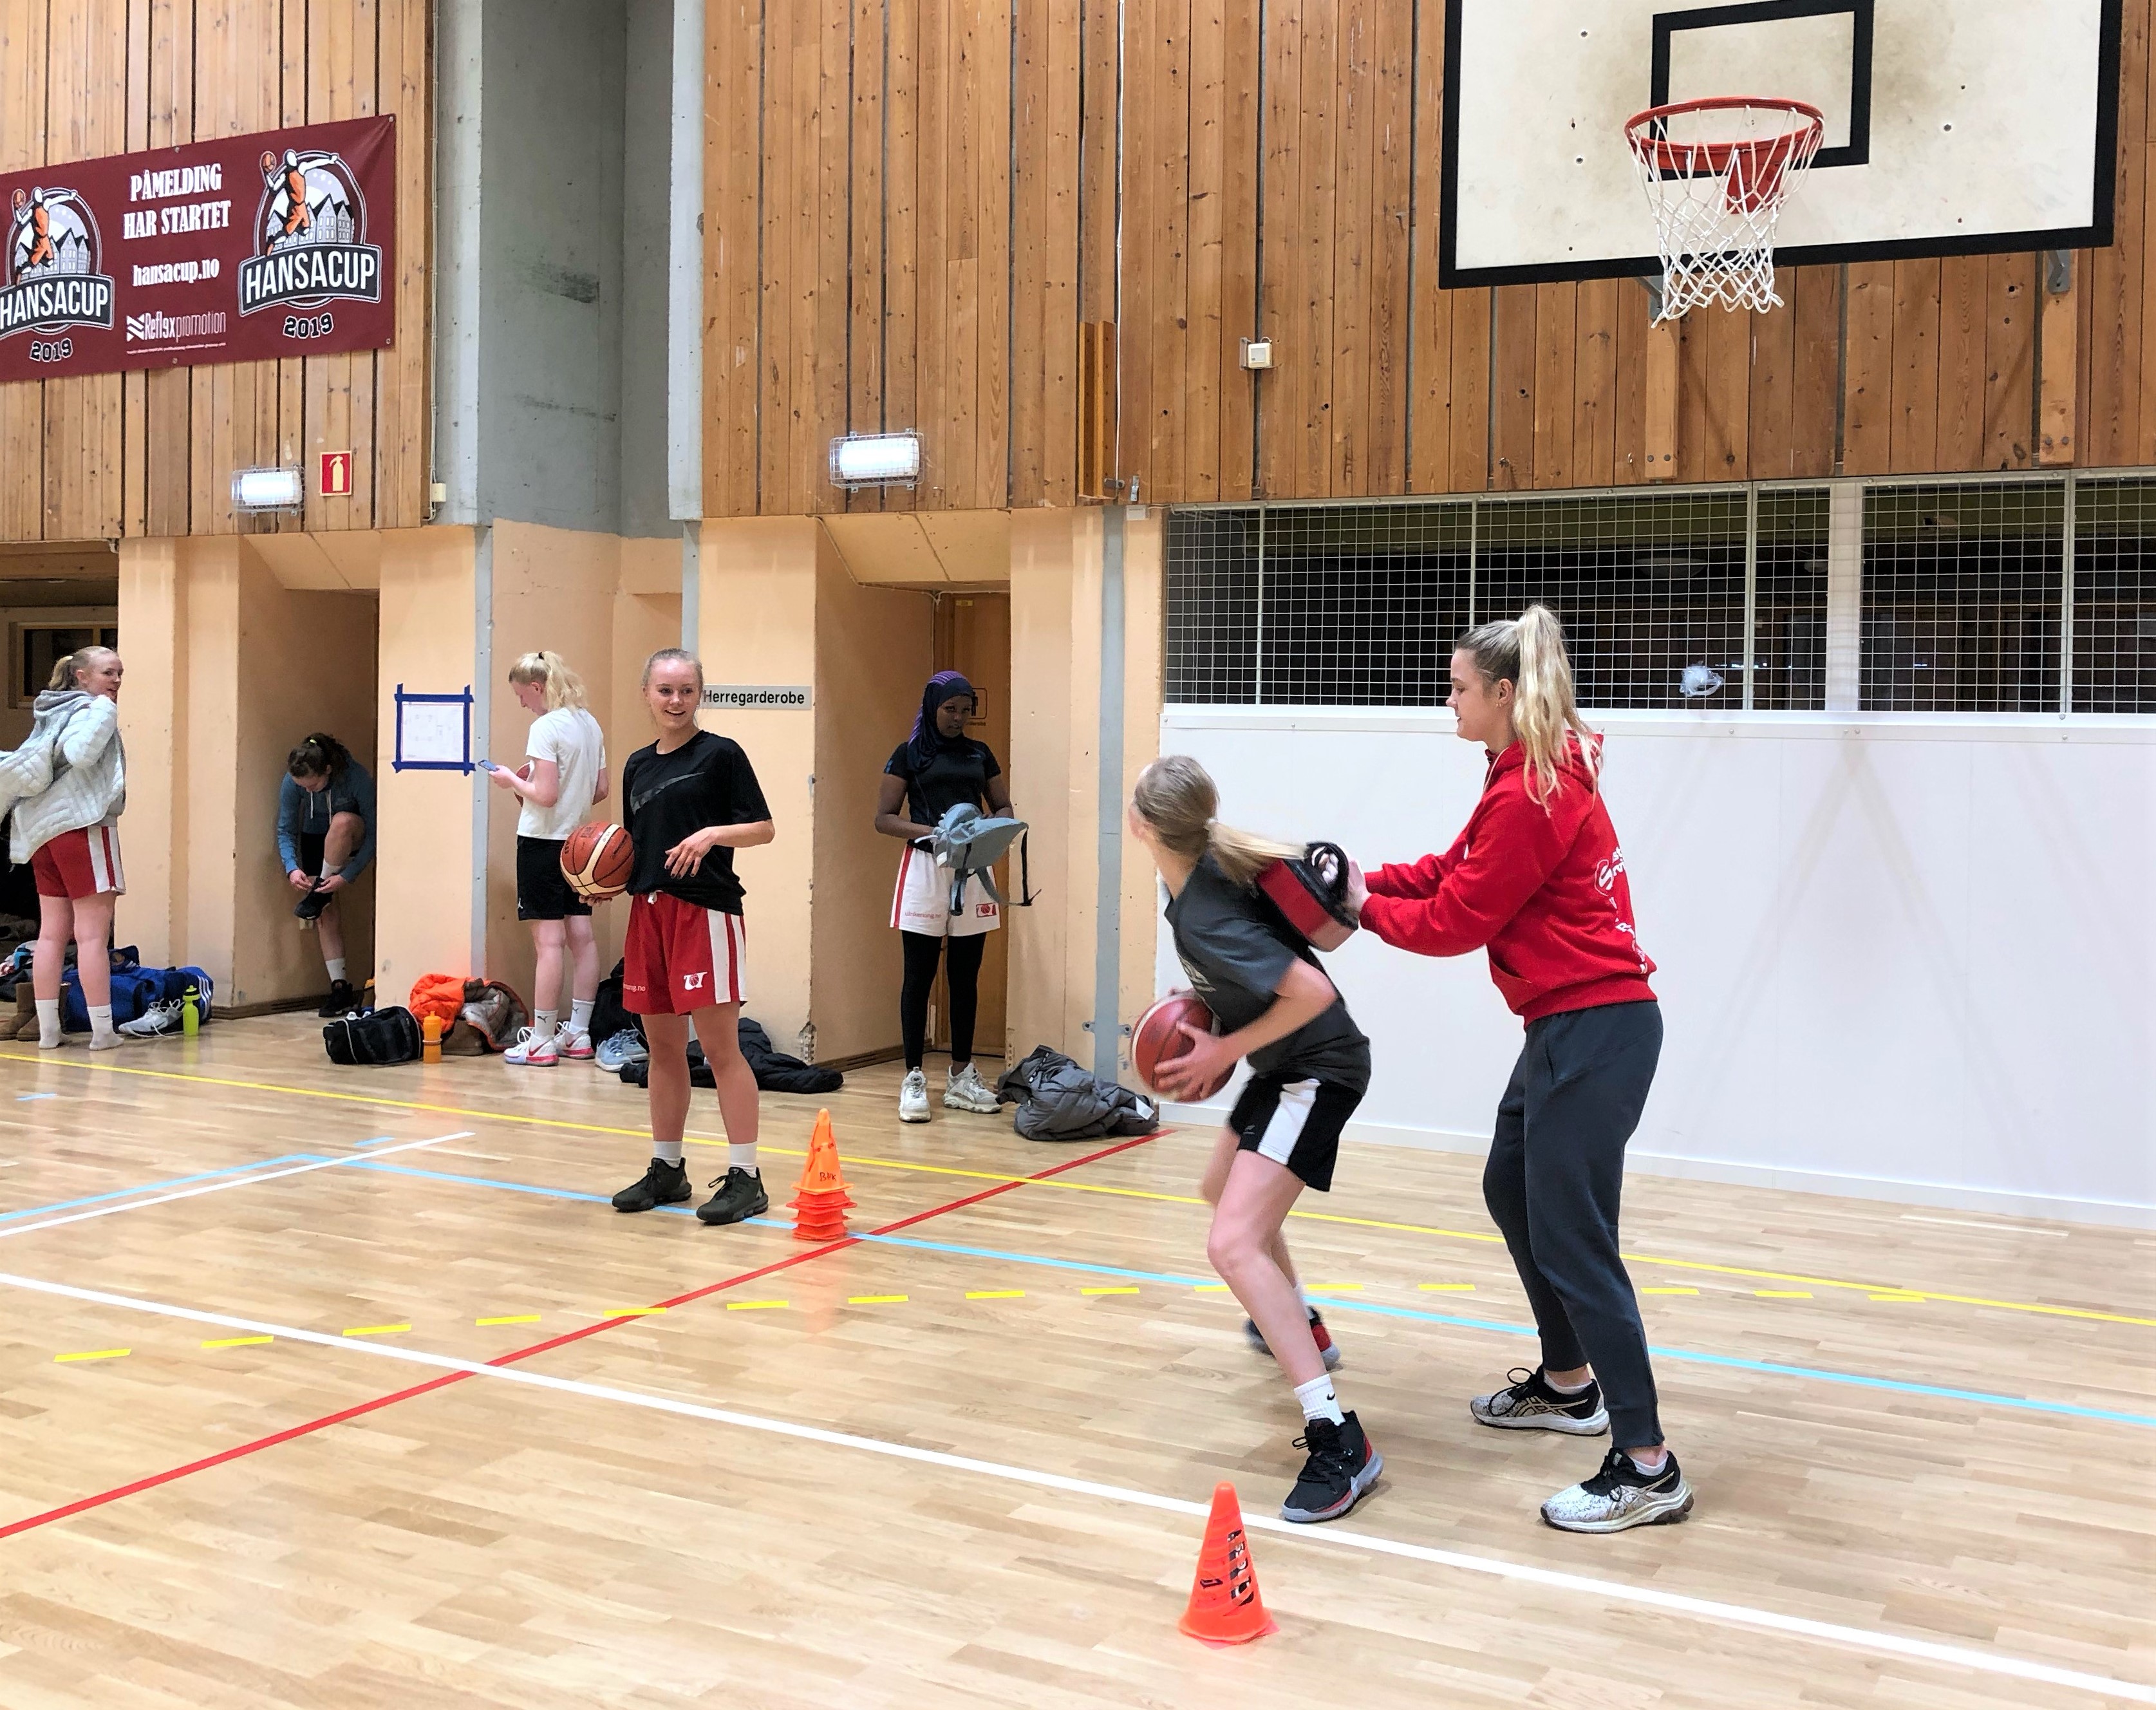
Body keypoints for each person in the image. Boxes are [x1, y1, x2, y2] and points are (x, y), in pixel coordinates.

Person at [1344, 605, 1687, 1535]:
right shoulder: (1517, 778)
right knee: (1510, 1184)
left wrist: (1354, 915)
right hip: (1566, 1028)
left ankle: (1648, 1465)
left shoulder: (1535, 790)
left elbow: (1459, 921)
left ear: (1502, 692)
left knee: (1576, 1241)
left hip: (1595, 1030)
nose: (1446, 699)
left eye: (1458, 687)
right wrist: (1356, 882)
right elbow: (1451, 871)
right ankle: (1571, 1383)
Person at [1130, 755, 1381, 1526]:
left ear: (1142, 825)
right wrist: (1207, 1006)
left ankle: (1339, 1438)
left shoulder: (1202, 905)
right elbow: (1266, 973)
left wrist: (1220, 1050)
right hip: (1287, 1063)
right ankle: (1302, 1323)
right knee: (1221, 1196)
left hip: (1317, 1070)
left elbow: (1313, 990)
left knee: (1231, 1243)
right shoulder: (1199, 878)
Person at [610, 648, 776, 1227]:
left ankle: (746, 1176)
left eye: (685, 690)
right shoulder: (636, 765)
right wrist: (601, 880)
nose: (675, 701)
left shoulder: (721, 755)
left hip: (704, 912)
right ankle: (667, 1167)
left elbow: (764, 828)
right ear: (647, 694)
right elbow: (634, 844)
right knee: (662, 1049)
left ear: (699, 693)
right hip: (647, 912)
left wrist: (711, 834)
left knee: (720, 1049)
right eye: (664, 691)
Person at [875, 670, 1011, 1123]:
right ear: (932, 707)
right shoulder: (908, 754)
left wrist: (985, 832)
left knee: (965, 976)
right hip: (924, 870)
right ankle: (913, 1078)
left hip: (973, 870)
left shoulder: (979, 753)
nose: (958, 718)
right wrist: (935, 834)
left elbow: (1004, 807)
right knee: (918, 976)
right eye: (950, 709)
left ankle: (961, 1075)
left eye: (965, 711)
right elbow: (884, 818)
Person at [0, 647, 128, 1050]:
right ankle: (104, 1033)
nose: (117, 681)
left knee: (52, 934)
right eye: (109, 672)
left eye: (120, 673)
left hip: (41, 833)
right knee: (92, 936)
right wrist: (106, 712)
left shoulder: (49, 710)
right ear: (81, 676)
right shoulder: (97, 710)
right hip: (83, 827)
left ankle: (48, 1031)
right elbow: (81, 754)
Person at [487, 650, 608, 1066]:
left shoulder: (545, 727)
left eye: (522, 696)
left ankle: (540, 1038)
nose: (522, 704)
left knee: (549, 943)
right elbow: (601, 789)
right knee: (582, 937)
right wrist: (542, 785)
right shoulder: (589, 723)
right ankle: (578, 1033)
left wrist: (510, 781)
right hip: (579, 845)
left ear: (537, 688)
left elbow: (547, 795)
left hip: (541, 843)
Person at [277, 733, 377, 1017]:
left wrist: (347, 876)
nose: (308, 792)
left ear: (328, 770)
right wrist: (291, 867)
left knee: (342, 821)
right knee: (325, 913)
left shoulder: (355, 777)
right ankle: (339, 986)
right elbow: (285, 828)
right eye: (301, 787)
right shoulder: (294, 781)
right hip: (314, 838)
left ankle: (322, 888)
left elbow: (374, 832)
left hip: (350, 835)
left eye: (313, 786)